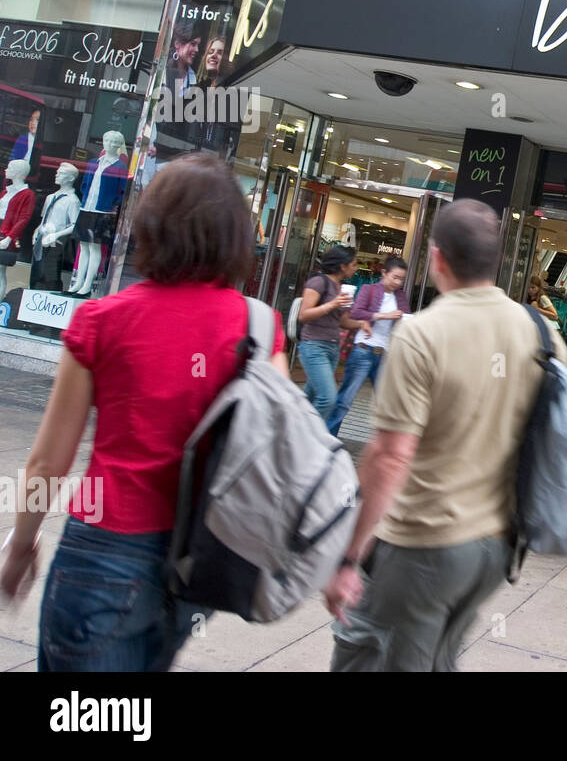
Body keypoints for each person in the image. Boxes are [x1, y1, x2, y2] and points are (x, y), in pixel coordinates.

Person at [0, 153, 289, 670]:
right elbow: (279, 445)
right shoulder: (259, 328)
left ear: (151, 226)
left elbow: (48, 462)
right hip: (197, 562)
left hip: (104, 547)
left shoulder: (101, 318)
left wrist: (21, 545)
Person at [324, 199, 567, 672]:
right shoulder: (542, 335)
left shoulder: (424, 334)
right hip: (495, 550)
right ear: (496, 261)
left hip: (425, 544)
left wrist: (350, 556)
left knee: (364, 656)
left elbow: (391, 457)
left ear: (436, 257)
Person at [326, 256, 410, 437]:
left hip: (385, 355)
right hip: (363, 350)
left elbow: (405, 318)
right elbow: (356, 312)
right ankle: (327, 438)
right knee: (345, 401)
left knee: (386, 404)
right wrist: (383, 316)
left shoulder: (401, 296)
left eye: (401, 279)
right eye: (395, 277)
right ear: (384, 273)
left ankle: (386, 447)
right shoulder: (369, 289)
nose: (397, 282)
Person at [297, 245, 367, 421]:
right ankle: (308, 435)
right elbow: (303, 315)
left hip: (332, 347)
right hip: (313, 346)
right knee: (328, 398)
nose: (356, 268)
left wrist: (360, 323)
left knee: (310, 397)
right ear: (343, 266)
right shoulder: (318, 282)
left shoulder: (342, 288)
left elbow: (342, 322)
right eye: (353, 264)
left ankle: (291, 430)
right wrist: (332, 304)